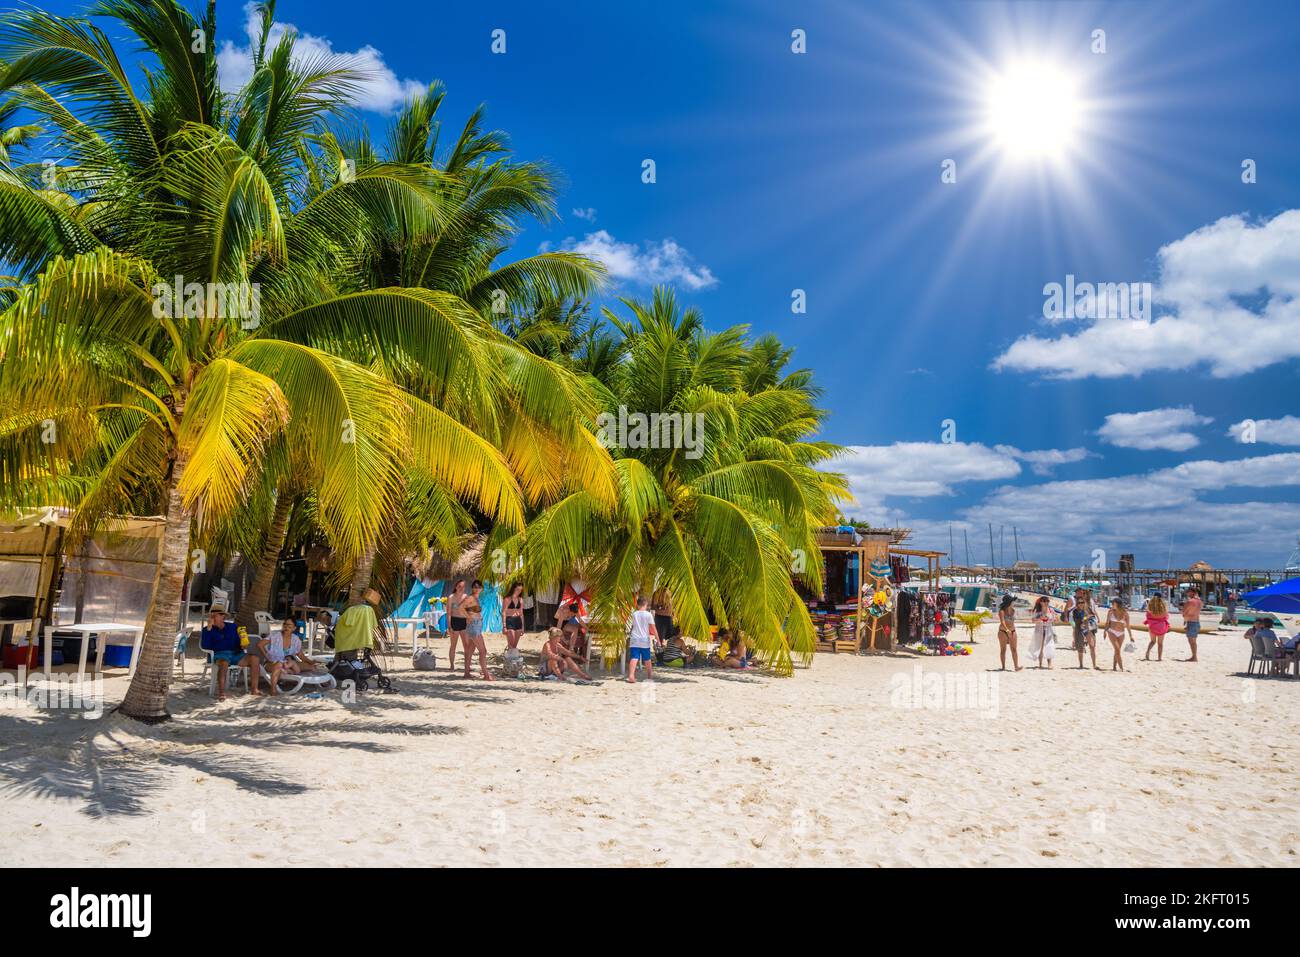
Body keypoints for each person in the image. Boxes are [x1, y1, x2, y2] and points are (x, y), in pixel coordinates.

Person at [200, 606, 262, 700]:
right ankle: (222, 693)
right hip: (220, 654)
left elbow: (240, 643)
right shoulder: (207, 630)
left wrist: (243, 644)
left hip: (236, 654)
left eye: (215, 616)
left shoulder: (232, 627)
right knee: (223, 663)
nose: (212, 618)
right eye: (211, 616)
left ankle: (254, 689)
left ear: (223, 616)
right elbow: (205, 645)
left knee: (255, 659)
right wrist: (209, 628)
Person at [334, 588, 382, 657]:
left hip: (348, 638)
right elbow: (374, 625)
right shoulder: (369, 610)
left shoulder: (352, 610)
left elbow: (347, 623)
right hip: (364, 639)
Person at [460, 580, 492, 680]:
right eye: (474, 586)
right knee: (483, 651)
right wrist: (468, 617)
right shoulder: (470, 598)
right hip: (473, 626)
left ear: (481, 588)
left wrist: (479, 617)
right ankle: (486, 675)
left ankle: (466, 673)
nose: (476, 588)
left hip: (477, 626)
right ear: (472, 588)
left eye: (478, 587)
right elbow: (460, 608)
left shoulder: (476, 598)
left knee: (470, 651)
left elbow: (471, 610)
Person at [625, 595, 658, 684]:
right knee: (647, 659)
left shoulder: (634, 614)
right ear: (646, 604)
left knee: (634, 658)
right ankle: (650, 677)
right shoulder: (649, 615)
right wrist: (658, 639)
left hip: (635, 638)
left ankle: (631, 676)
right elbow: (653, 628)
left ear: (637, 604)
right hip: (644, 640)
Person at [1071, 590, 1100, 670]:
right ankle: (1081, 665)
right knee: (1080, 648)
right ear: (1077, 603)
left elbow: (1092, 614)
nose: (1081, 604)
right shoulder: (1075, 611)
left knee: (1092, 646)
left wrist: (1092, 618)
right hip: (1080, 630)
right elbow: (1078, 620)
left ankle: (1094, 665)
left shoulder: (1087, 608)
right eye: (1079, 603)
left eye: (1082, 602)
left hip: (1088, 629)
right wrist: (1086, 617)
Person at [445, 579, 468, 673]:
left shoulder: (466, 597)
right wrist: (449, 626)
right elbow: (448, 613)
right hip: (454, 621)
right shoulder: (451, 597)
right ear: (455, 587)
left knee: (466, 646)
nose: (461, 588)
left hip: (464, 622)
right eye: (459, 586)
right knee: (453, 645)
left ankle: (467, 666)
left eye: (463, 586)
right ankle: (452, 665)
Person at [1103, 598, 1132, 672]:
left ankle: (1114, 667)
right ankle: (1121, 668)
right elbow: (1107, 623)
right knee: (1117, 649)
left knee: (1117, 651)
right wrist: (1105, 631)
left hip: (1121, 633)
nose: (1112, 605)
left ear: (1117, 604)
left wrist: (1131, 636)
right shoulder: (1110, 612)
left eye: (1113, 603)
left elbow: (1128, 626)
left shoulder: (1125, 613)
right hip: (1112, 632)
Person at [1027, 596, 1056, 669]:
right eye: (1044, 601)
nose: (1046, 602)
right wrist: (1040, 618)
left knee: (1049, 646)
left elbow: (1054, 619)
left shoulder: (1051, 610)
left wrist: (1049, 619)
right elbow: (1033, 620)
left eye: (1047, 601)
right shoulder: (1038, 611)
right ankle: (1040, 664)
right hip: (1039, 629)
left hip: (1048, 630)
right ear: (1041, 602)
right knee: (1040, 647)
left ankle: (1049, 664)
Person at [996, 595, 1021, 671]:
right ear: (1009, 602)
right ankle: (1003, 667)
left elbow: (1012, 621)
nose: (1013, 602)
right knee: (1003, 650)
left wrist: (1011, 631)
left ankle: (1016, 666)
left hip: (1013, 631)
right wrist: (1007, 630)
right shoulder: (1001, 611)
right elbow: (1002, 622)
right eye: (1012, 601)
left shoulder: (1013, 610)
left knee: (1014, 649)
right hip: (1003, 631)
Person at [1143, 595, 1171, 662]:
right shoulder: (1164, 609)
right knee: (1160, 644)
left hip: (1152, 627)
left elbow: (1147, 617)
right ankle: (1159, 658)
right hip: (1161, 627)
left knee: (1152, 641)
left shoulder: (1149, 609)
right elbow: (1166, 617)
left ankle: (1147, 652)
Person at [502, 583, 526, 652]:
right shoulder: (507, 599)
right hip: (509, 620)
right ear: (513, 589)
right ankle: (510, 658)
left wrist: (523, 627)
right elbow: (503, 612)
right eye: (517, 589)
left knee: (514, 645)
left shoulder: (520, 600)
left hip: (518, 620)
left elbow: (521, 614)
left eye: (521, 590)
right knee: (511, 641)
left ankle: (511, 656)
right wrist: (504, 626)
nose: (519, 591)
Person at [1181, 587, 1203, 662]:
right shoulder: (1200, 601)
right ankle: (1194, 656)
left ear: (1192, 592)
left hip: (1191, 623)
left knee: (1192, 642)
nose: (1187, 593)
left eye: (1188, 592)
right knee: (1193, 641)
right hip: (1196, 622)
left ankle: (1194, 657)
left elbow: (1184, 612)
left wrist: (1185, 618)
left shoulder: (1190, 601)